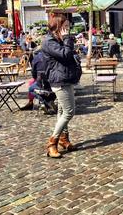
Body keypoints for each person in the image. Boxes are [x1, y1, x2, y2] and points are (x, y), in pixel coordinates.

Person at [42, 13, 82, 158]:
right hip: (59, 80)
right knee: (69, 112)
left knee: (61, 111)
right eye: (65, 27)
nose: (67, 30)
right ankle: (52, 143)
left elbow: (68, 54)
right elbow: (65, 54)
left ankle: (64, 139)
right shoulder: (49, 41)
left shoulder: (58, 39)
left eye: (68, 28)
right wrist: (67, 40)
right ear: (58, 27)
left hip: (66, 78)